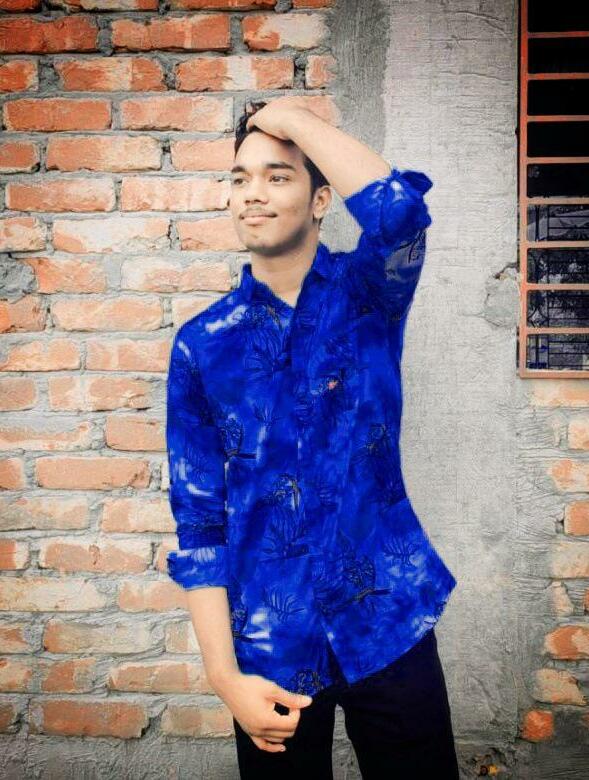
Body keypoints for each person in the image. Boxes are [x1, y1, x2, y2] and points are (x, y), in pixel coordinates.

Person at [165, 96, 460, 778]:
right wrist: (224, 678)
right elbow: (199, 523)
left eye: (277, 176)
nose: (252, 194)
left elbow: (399, 212)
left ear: (321, 198)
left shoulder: (368, 296)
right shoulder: (202, 345)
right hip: (270, 645)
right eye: (239, 178)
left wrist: (291, 120)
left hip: (388, 616)